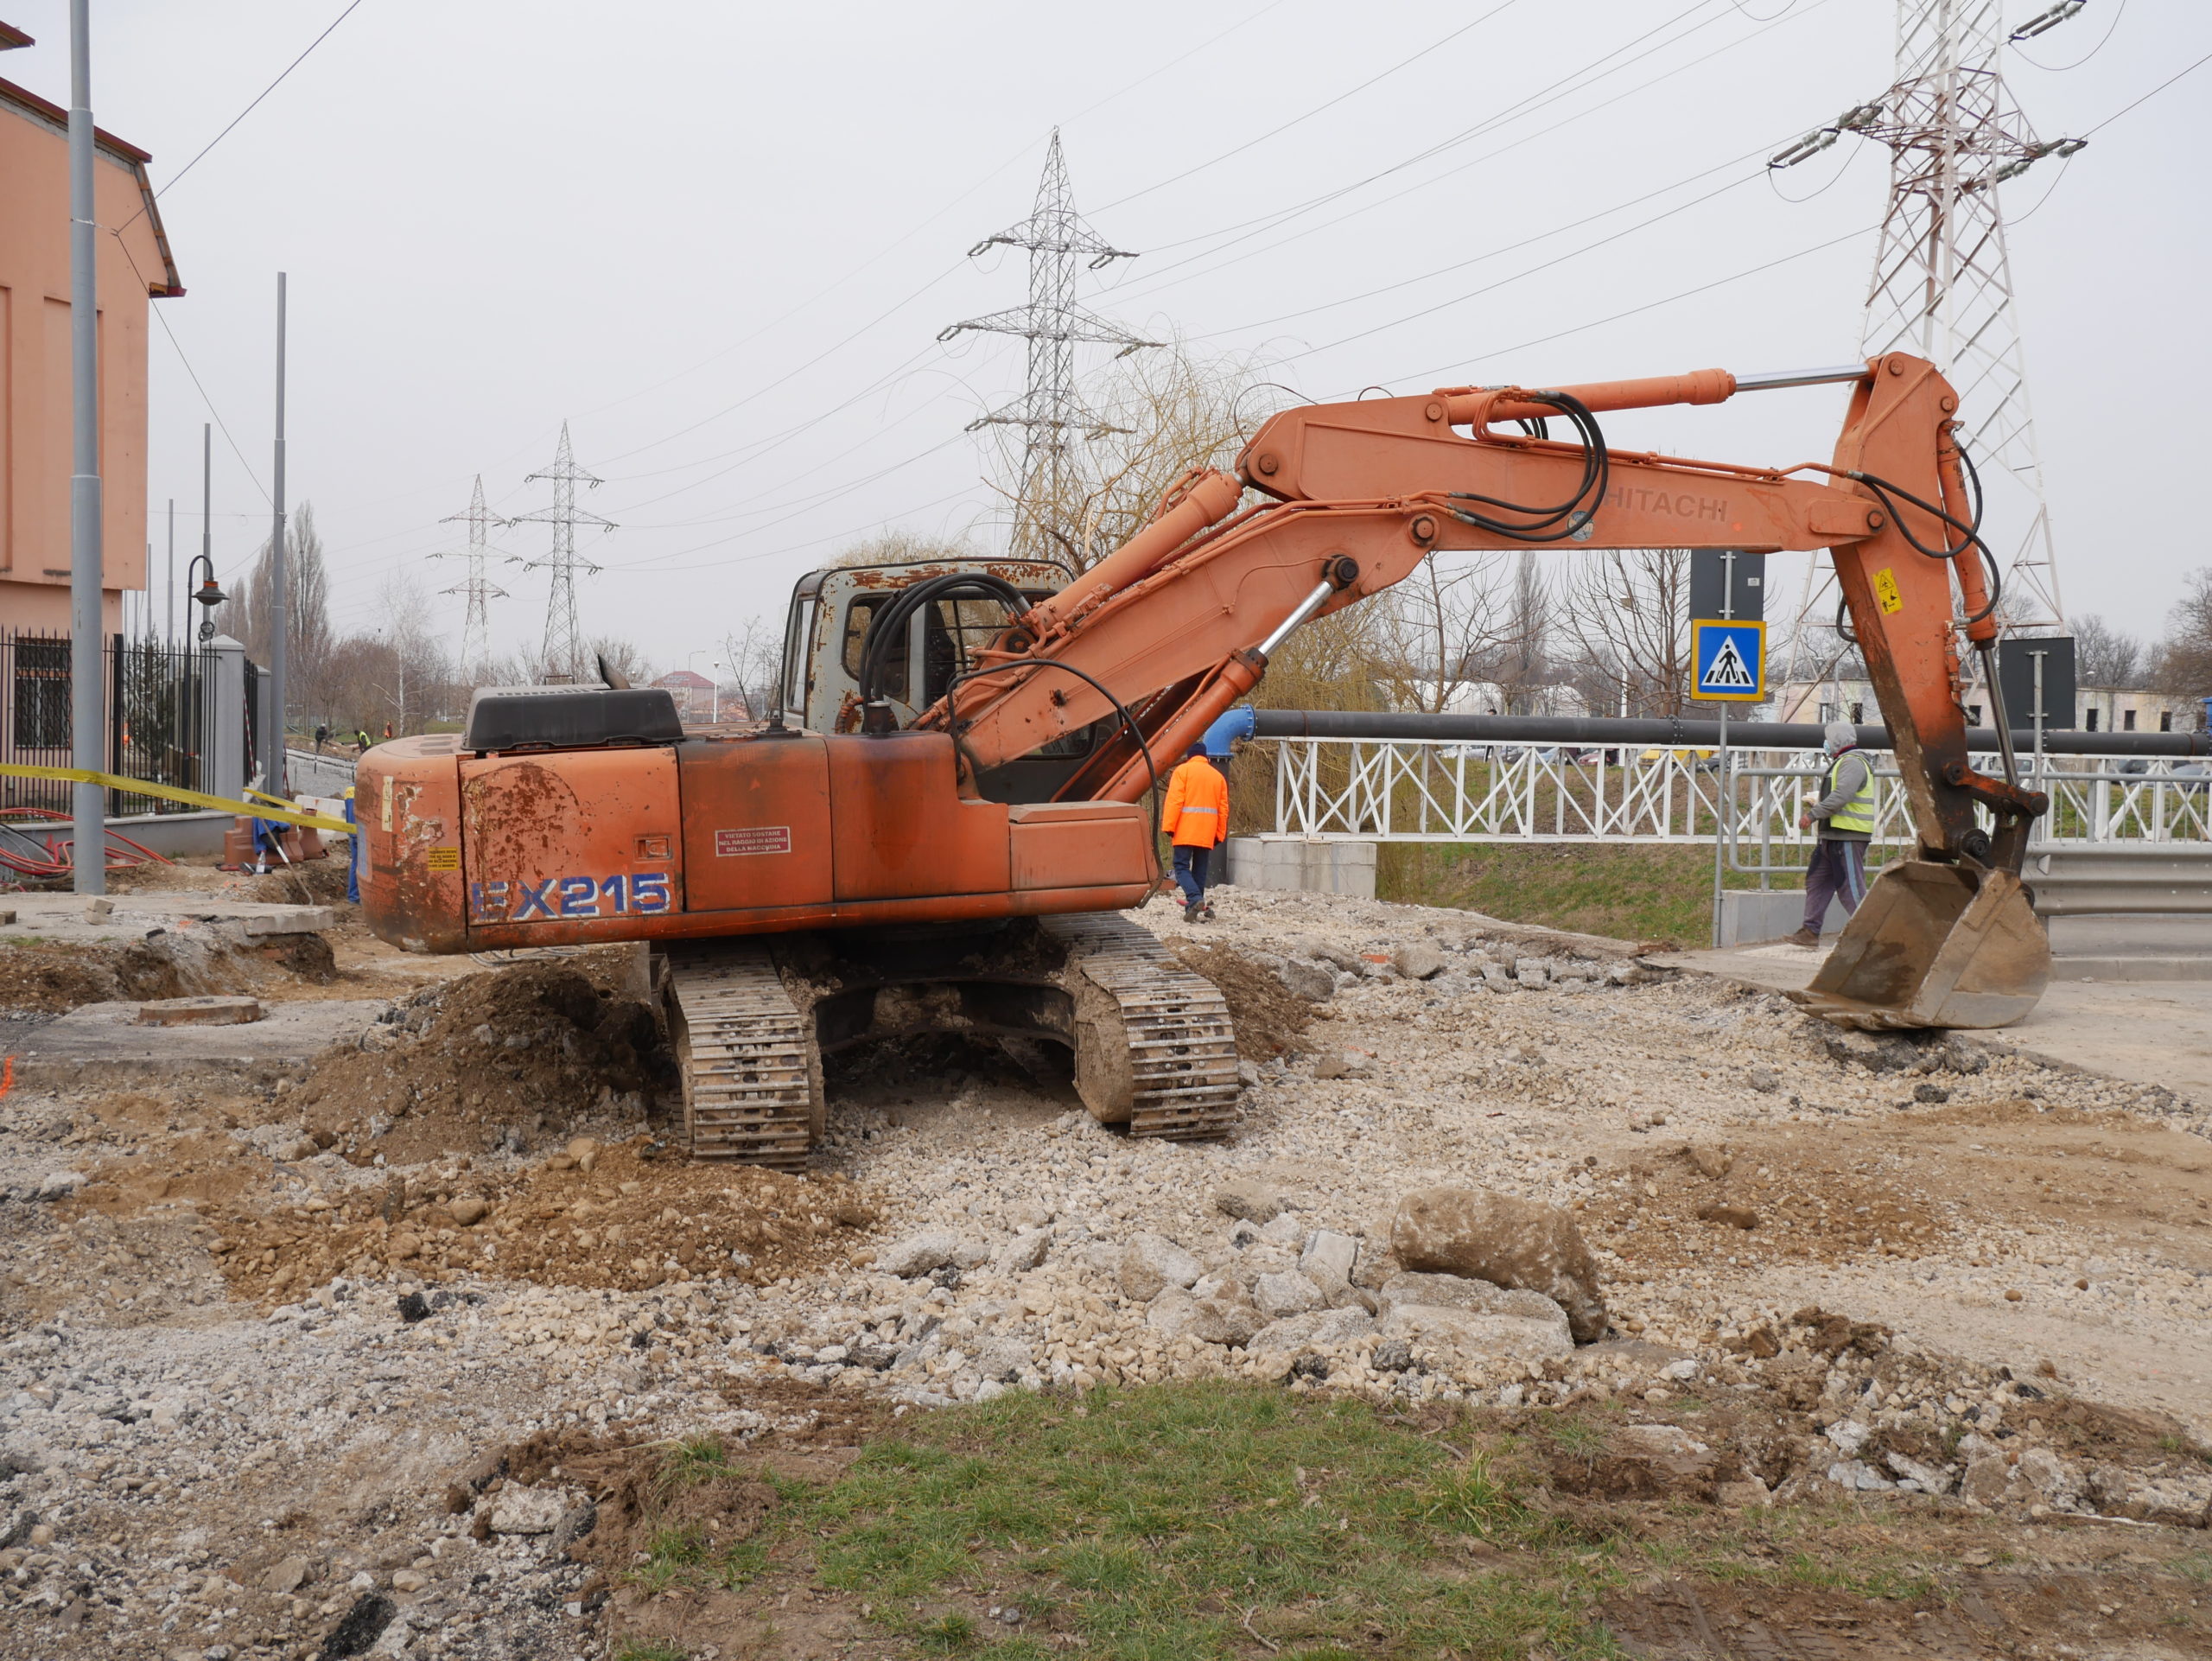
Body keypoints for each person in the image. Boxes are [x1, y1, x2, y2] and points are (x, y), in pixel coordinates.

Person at [1789, 719, 1875, 947]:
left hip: (1848, 835)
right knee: (1817, 882)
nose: (1826, 744)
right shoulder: (1841, 762)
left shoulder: (1853, 763)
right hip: (1831, 836)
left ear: (1837, 740)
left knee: (1851, 888)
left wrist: (1813, 814)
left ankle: (1871, 937)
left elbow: (1842, 796)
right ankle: (1810, 931)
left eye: (1828, 739)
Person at [1160, 741, 1230, 922]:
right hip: (1207, 832)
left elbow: (1174, 801)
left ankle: (1195, 898)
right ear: (1205, 757)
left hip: (1185, 829)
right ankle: (1193, 907)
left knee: (1181, 866)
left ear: (1190, 756)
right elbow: (1223, 809)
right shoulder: (1218, 777)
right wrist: (1219, 834)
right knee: (1200, 868)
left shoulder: (1182, 772)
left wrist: (1169, 826)